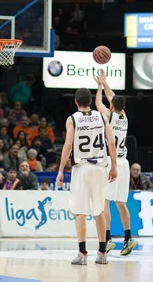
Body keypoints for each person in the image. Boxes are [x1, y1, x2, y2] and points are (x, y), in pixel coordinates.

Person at [56, 88, 117, 265]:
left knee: (80, 212)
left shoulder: (72, 119)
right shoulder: (102, 117)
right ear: (90, 101)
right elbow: (111, 142)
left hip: (82, 168)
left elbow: (68, 146)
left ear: (75, 102)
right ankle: (102, 252)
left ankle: (83, 253)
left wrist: (60, 170)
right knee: (100, 210)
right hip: (100, 167)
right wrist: (114, 166)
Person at [93, 70, 136, 256]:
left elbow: (97, 103)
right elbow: (114, 99)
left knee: (105, 202)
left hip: (111, 162)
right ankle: (128, 238)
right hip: (124, 162)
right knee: (121, 203)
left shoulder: (108, 116)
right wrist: (106, 83)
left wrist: (100, 86)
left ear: (111, 106)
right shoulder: (124, 117)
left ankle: (108, 238)